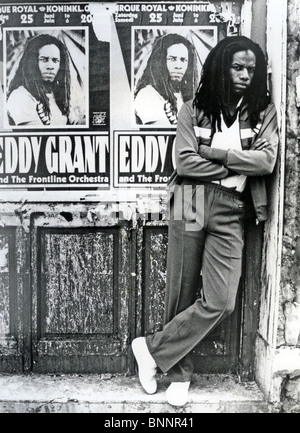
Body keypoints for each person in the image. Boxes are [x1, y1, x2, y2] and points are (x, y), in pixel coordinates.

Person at [132, 36, 279, 406]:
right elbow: (184, 162)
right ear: (220, 67)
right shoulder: (193, 109)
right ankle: (178, 375)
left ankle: (149, 349)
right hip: (190, 199)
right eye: (237, 67)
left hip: (232, 206)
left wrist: (214, 153)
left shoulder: (264, 111)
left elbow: (266, 162)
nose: (246, 74)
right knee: (181, 290)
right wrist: (237, 157)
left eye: (252, 68)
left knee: (221, 300)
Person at [134, 33, 198, 126]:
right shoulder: (148, 94)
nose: (178, 66)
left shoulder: (187, 96)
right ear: (161, 62)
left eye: (183, 60)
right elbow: (165, 136)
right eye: (172, 59)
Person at [7, 34, 71, 126]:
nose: (50, 66)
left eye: (55, 60)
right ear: (32, 63)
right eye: (44, 59)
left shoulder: (55, 94)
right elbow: (37, 137)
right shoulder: (20, 96)